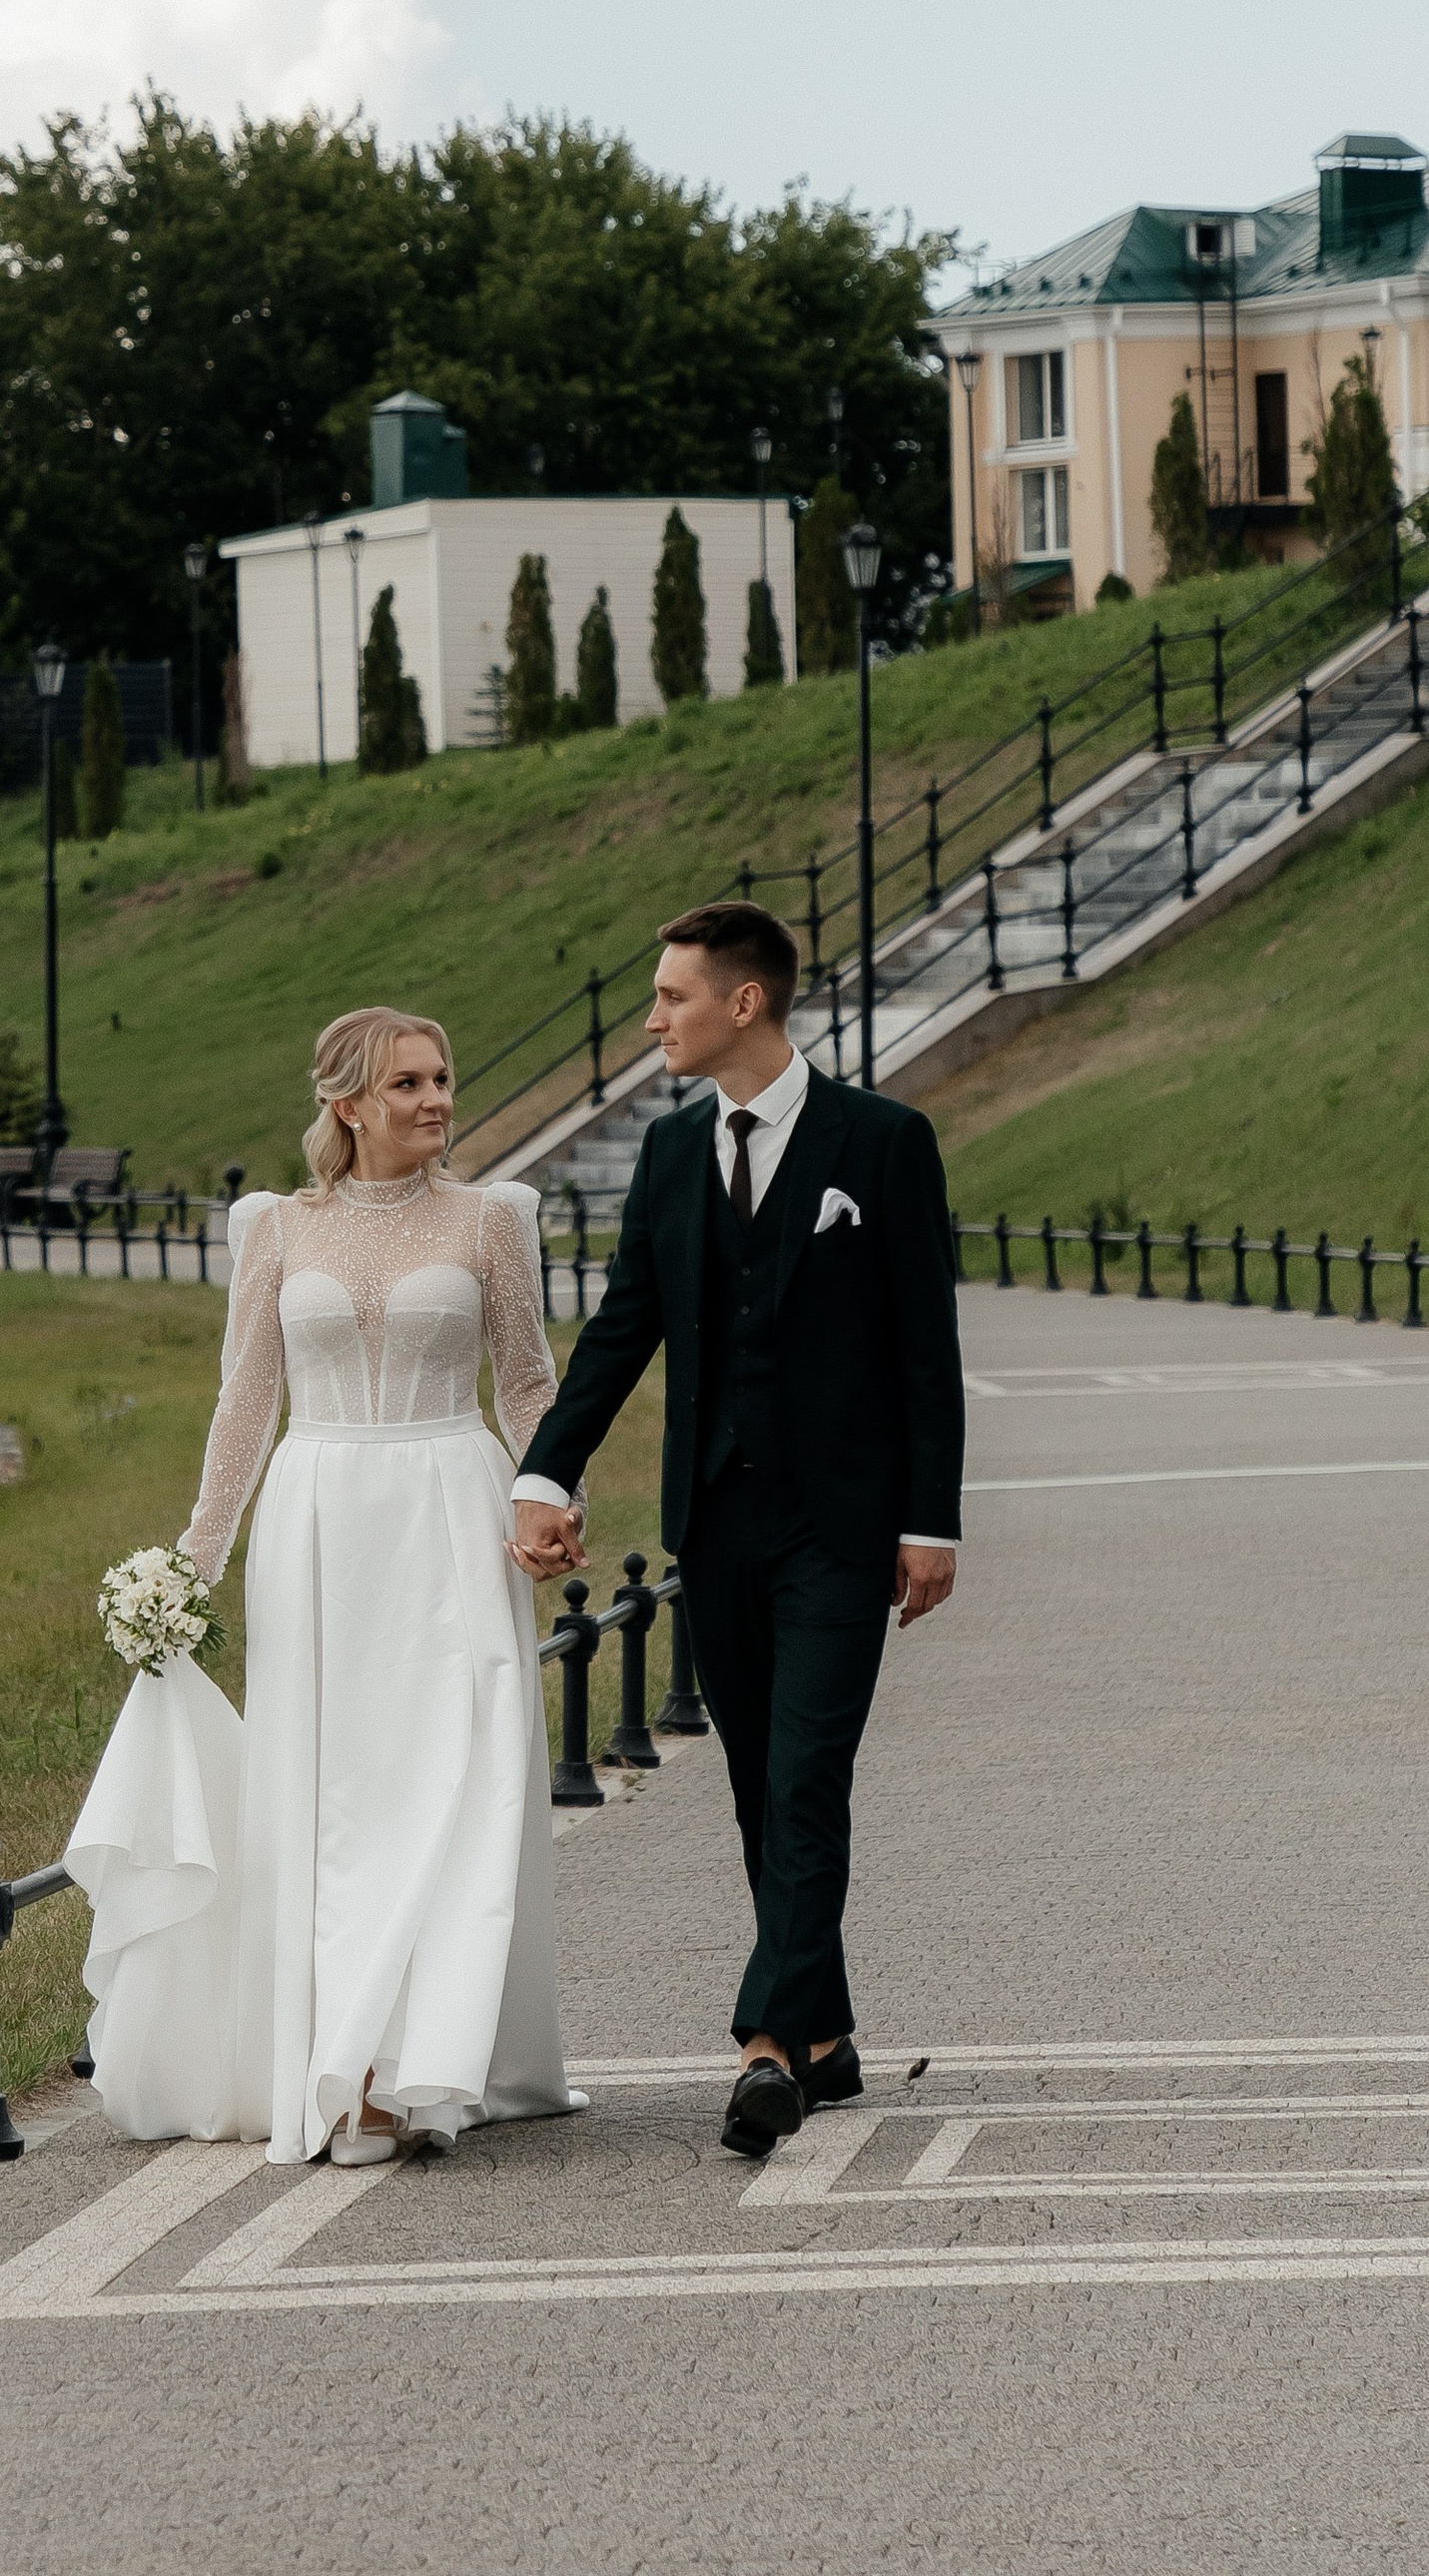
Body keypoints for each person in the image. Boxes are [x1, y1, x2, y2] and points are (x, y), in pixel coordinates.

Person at [68, 1006, 578, 2164]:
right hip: (319, 1527)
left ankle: (414, 2065)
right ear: (347, 1104)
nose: (436, 1100)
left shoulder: (493, 1220)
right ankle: (341, 2066)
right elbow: (246, 1403)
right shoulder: (276, 1229)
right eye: (407, 1083)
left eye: (443, 1077)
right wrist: (191, 1566)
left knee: (456, 1780)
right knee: (334, 1797)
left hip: (452, 1503)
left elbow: (529, 1385)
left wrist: (551, 1500)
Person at [509, 900, 963, 2158]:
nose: (651, 1018)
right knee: (762, 1789)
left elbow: (927, 1347)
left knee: (809, 1773)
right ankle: (827, 2037)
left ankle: (766, 2045)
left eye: (671, 996)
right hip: (717, 1521)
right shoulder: (667, 1155)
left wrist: (933, 1522)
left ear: (743, 1002)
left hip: (843, 1526)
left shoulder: (882, 1143)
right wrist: (546, 1474)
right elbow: (619, 1336)